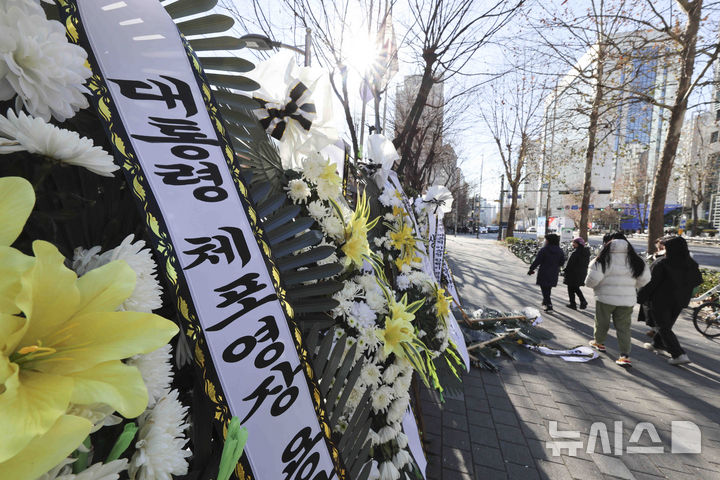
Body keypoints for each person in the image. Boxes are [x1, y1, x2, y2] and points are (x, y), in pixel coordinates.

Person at [585, 232, 650, 367]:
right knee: (624, 328)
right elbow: (644, 279)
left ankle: (599, 342)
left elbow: (591, 281)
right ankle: (624, 356)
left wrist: (597, 287)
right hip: (627, 300)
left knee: (601, 322)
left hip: (605, 297)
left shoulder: (602, 259)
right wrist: (632, 286)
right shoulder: (637, 260)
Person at [637, 236, 702, 365]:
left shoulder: (662, 263)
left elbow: (650, 283)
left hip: (660, 300)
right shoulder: (691, 264)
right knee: (666, 325)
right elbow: (697, 281)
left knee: (663, 326)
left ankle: (678, 354)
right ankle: (657, 344)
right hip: (680, 300)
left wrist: (640, 296)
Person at [528, 234, 565, 312]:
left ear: (549, 241)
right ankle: (545, 302)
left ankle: (549, 304)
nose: (545, 241)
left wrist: (531, 269)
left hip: (544, 271)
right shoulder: (560, 250)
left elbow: (537, 261)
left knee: (544, 289)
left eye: (546, 240)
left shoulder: (544, 250)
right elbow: (562, 262)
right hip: (554, 272)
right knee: (548, 288)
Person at [564, 237, 590, 310]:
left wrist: (565, 270)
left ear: (578, 244)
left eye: (574, 243)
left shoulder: (575, 252)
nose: (573, 244)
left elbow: (570, 264)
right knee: (575, 288)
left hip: (573, 273)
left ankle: (575, 303)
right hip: (582, 273)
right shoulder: (586, 252)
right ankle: (580, 302)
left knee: (571, 288)